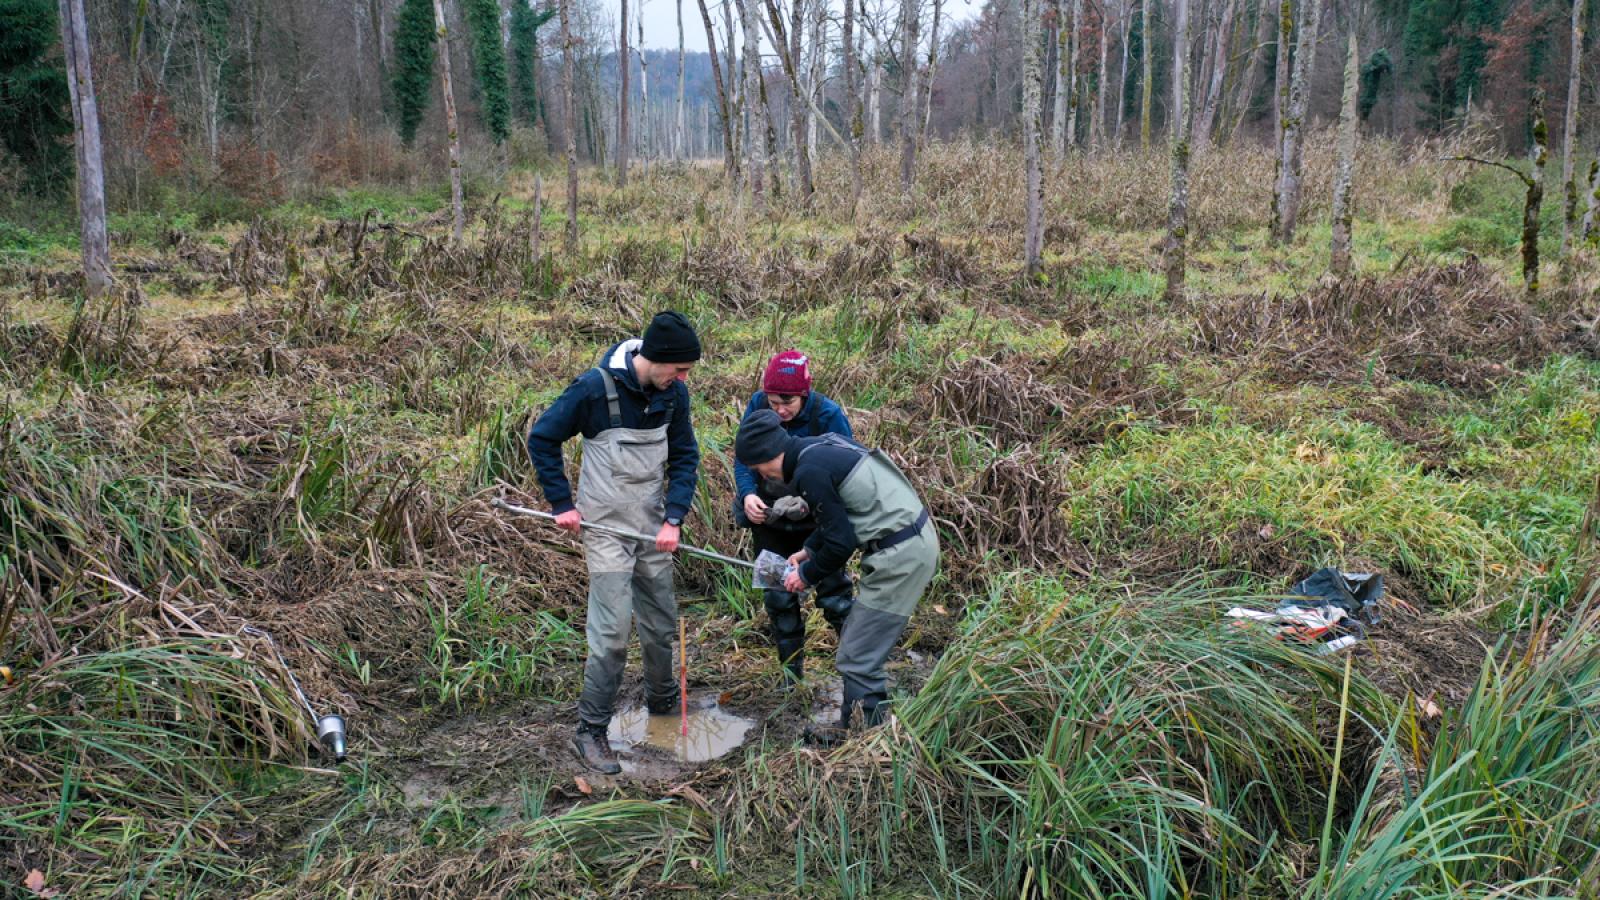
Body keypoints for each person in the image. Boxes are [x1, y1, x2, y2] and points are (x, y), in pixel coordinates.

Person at [527, 311, 701, 774]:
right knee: (611, 634)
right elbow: (542, 438)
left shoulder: (673, 395)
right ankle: (590, 731)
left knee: (661, 624)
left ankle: (662, 703)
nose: (683, 379)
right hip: (605, 531)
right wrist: (561, 503)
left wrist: (674, 518)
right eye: (679, 369)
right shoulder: (593, 389)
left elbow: (685, 456)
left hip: (652, 529)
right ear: (656, 358)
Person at [734, 409, 939, 743]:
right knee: (856, 649)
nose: (764, 476)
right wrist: (808, 550)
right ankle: (858, 726)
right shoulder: (821, 448)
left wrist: (806, 575)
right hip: (910, 539)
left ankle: (867, 739)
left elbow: (841, 544)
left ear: (770, 456)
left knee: (857, 656)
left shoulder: (808, 472)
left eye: (759, 468)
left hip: (901, 555)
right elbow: (841, 516)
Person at [732, 350, 856, 683]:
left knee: (834, 598)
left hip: (817, 521)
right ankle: (792, 681)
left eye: (787, 402)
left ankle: (859, 672)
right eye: (773, 403)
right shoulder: (758, 404)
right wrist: (748, 494)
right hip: (770, 521)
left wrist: (808, 501)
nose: (780, 411)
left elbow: (846, 471)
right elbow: (744, 457)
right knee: (779, 600)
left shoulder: (828, 414)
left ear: (805, 393)